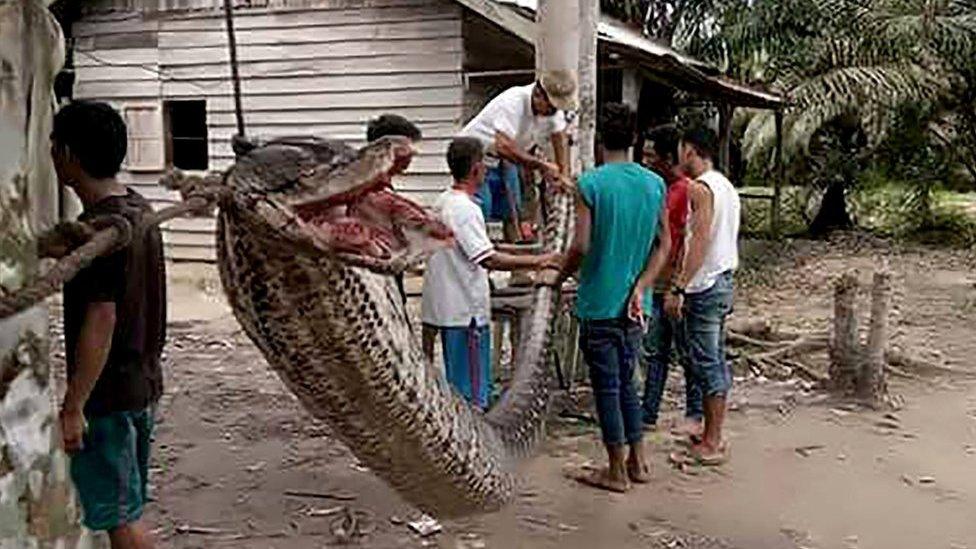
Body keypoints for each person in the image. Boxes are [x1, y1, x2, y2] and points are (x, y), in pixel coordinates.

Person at [51, 100, 165, 549]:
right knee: (128, 506)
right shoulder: (138, 211)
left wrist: (74, 405)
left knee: (123, 519)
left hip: (111, 395)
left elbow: (102, 317)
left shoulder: (100, 232)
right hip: (144, 383)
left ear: (68, 155)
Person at [546, 103, 671, 493]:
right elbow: (664, 244)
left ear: (600, 141)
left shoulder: (591, 184)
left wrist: (558, 274)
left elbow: (580, 245)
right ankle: (638, 461)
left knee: (607, 386)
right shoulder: (654, 184)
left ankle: (615, 470)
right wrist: (642, 285)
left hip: (599, 301)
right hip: (636, 305)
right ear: (634, 140)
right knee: (627, 384)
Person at [421, 137, 559, 409]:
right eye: (484, 164)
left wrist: (528, 255)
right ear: (475, 169)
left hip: (447, 307)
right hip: (465, 312)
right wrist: (540, 261)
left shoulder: (443, 201)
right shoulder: (465, 209)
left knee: (460, 385)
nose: (487, 170)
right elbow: (489, 259)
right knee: (471, 395)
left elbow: (484, 248)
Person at [666, 126, 741, 466]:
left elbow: (700, 241)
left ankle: (713, 440)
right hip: (722, 278)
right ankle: (709, 430)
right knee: (709, 357)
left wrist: (680, 285)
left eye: (681, 148)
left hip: (706, 284)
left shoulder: (700, 188)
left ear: (690, 150)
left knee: (708, 360)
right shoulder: (726, 186)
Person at [639, 127, 703, 435]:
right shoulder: (657, 188)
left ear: (667, 158)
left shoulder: (684, 191)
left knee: (685, 351)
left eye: (652, 155)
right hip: (656, 281)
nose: (646, 160)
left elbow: (683, 242)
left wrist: (678, 285)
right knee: (656, 352)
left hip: (674, 284)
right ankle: (648, 412)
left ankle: (695, 411)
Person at [459, 73, 575, 225]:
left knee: (513, 210)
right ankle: (479, 245)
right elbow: (503, 146)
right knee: (481, 208)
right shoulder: (513, 101)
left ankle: (512, 244)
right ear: (538, 95)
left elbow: (559, 137)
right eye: (551, 107)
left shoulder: (552, 111)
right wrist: (541, 165)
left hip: (505, 158)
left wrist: (564, 174)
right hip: (474, 157)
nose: (553, 112)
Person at [361, 113, 423, 309]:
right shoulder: (367, 189)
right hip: (375, 290)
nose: (413, 153)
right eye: (408, 147)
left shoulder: (378, 183)